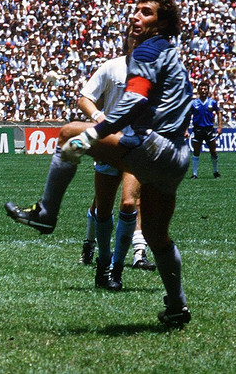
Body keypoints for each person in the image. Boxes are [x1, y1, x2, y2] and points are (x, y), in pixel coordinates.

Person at [5, 0, 193, 326]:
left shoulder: (149, 49)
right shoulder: (173, 54)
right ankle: (177, 307)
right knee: (155, 233)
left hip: (153, 148)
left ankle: (46, 214)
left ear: (161, 23)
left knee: (67, 133)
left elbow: (133, 101)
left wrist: (95, 132)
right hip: (178, 158)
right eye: (135, 11)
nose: (136, 16)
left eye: (146, 12)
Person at [74, 32, 155, 293]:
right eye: (135, 37)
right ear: (128, 41)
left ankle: (118, 268)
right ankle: (102, 263)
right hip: (110, 145)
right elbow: (84, 97)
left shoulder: (158, 72)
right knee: (103, 209)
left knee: (130, 203)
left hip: (138, 147)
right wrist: (99, 116)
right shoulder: (111, 67)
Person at [188, 81, 223, 179]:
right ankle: (194, 174)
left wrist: (220, 127)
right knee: (196, 152)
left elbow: (219, 112)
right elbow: (188, 116)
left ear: (208, 90)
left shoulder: (212, 102)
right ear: (198, 90)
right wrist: (186, 130)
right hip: (197, 129)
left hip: (209, 130)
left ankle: (216, 172)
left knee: (213, 151)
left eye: (205, 89)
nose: (203, 91)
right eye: (201, 89)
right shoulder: (194, 103)